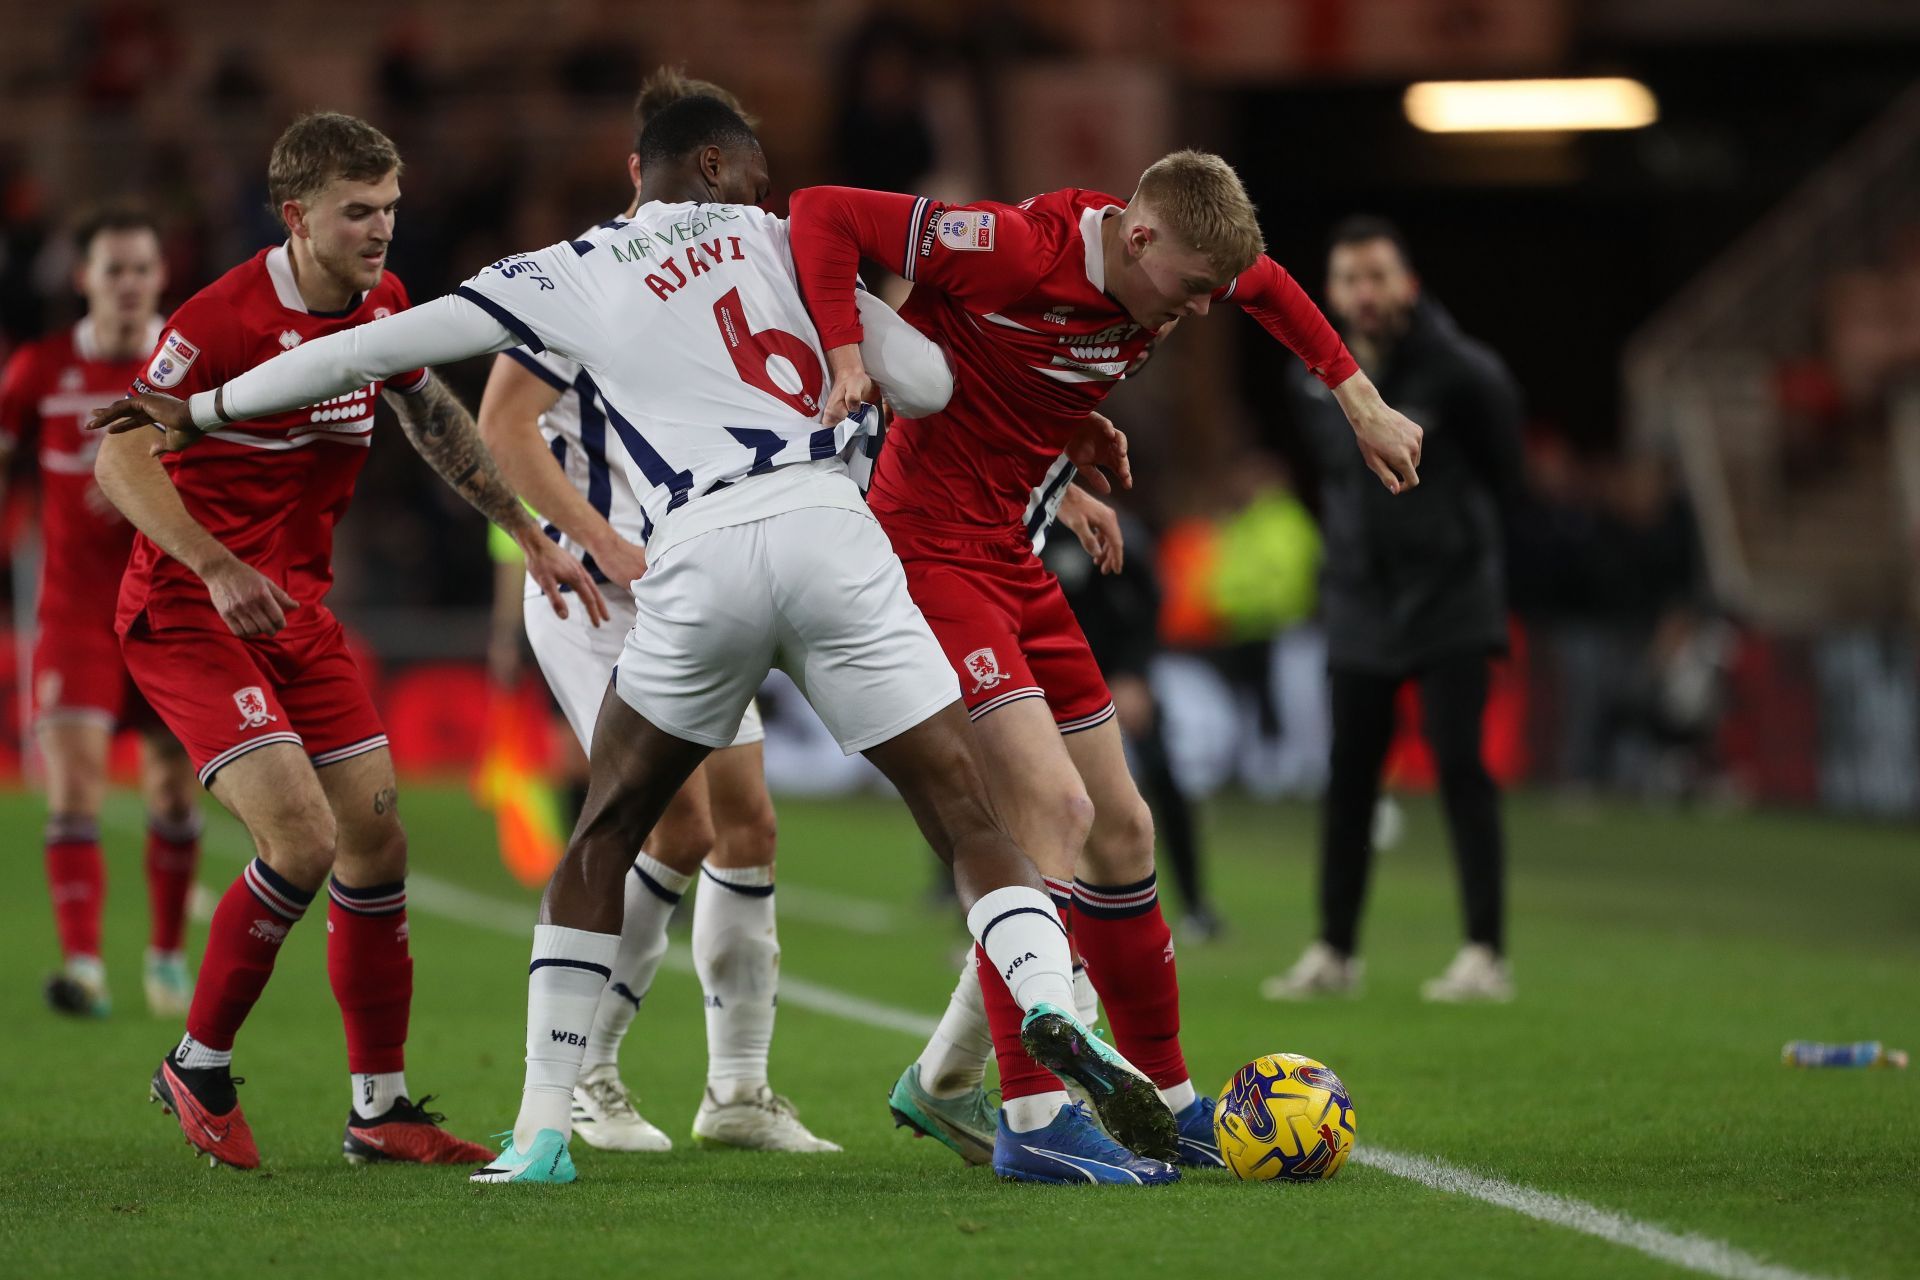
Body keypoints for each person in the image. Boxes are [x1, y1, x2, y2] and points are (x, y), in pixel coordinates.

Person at [93, 95, 1183, 1189]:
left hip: (696, 554)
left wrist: (209, 406)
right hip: (833, 534)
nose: (764, 188)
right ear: (717, 165)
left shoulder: (567, 266)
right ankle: (1045, 1009)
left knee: (608, 829)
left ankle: (543, 1128)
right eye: (755, 170)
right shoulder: (787, 242)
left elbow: (374, 349)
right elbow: (936, 382)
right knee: (968, 814)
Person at [785, 153, 1425, 1179]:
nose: (1202, 311)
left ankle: (1164, 1096)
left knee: (1125, 827)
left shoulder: (1184, 264)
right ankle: (1033, 1120)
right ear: (1136, 240)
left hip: (1014, 548)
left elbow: (1258, 288)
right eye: (1187, 289)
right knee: (1052, 813)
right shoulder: (1010, 249)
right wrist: (844, 343)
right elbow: (819, 212)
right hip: (929, 552)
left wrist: (1361, 402)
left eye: (1212, 293)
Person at [92, 112, 599, 1172]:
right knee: (304, 840)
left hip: (298, 615)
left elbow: (432, 419)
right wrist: (216, 563)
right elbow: (121, 456)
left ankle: (379, 1107)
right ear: (297, 216)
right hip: (193, 610)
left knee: (377, 843)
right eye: (358, 212)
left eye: (391, 209)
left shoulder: (385, 303)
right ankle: (198, 1060)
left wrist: (528, 533)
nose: (380, 230)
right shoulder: (218, 320)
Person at [474, 67, 928, 1154]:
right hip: (602, 586)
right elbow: (503, 423)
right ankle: (584, 1073)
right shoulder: (589, 276)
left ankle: (735, 1093)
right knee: (672, 820)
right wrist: (607, 541)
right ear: (651, 173)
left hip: (694, 572)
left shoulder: (739, 264)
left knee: (748, 826)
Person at [1259, 215, 1523, 1004]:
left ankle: (1485, 953)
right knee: (1349, 781)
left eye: (1377, 276)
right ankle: (1334, 952)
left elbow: (1507, 480)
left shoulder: (1467, 374)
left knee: (1460, 769)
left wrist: (1463, 557)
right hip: (1361, 603)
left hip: (1449, 598)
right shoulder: (1309, 378)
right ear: (1331, 293)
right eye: (1348, 279)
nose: (1363, 292)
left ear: (1407, 284)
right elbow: (1331, 484)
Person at [0, 206, 203, 1021]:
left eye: (140, 269)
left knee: (173, 795)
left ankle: (163, 958)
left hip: (166, 611)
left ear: (160, 279)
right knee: (74, 788)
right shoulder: (38, 371)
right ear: (84, 278)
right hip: (76, 617)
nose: (126, 284)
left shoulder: (188, 371)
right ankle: (83, 966)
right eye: (111, 269)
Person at [1038, 507, 1219, 940]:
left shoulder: (1111, 527)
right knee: (1013, 787)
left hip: (1115, 676)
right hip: (1041, 679)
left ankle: (1196, 903)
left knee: (1161, 779)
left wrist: (1135, 673)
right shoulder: (1021, 525)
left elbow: (1150, 600)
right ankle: (990, 910)